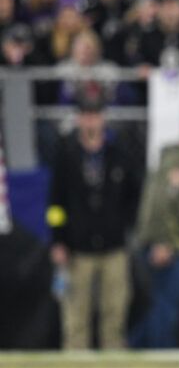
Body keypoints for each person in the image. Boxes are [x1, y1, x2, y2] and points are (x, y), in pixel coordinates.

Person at [47, 93, 141, 349]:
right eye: (86, 115)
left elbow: (135, 195)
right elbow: (55, 203)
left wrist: (125, 225)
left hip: (114, 246)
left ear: (103, 118)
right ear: (79, 119)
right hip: (77, 247)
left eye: (95, 115)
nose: (91, 121)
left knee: (115, 316)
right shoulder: (66, 154)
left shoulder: (118, 153)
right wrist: (58, 240)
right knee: (76, 319)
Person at [130, 118, 179, 348]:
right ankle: (155, 350)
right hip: (165, 242)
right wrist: (163, 242)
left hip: (169, 240)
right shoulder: (176, 162)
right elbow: (162, 203)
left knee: (168, 300)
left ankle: (135, 344)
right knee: (170, 302)